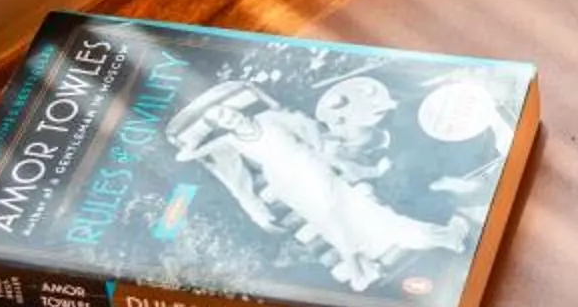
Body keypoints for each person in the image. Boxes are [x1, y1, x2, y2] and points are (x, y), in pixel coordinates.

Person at [168, 78, 469, 292]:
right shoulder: (230, 142)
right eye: (220, 118)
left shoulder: (271, 118)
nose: (228, 117)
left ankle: (378, 262)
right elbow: (200, 157)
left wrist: (333, 159)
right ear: (220, 127)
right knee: (340, 225)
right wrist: (255, 207)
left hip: (313, 171)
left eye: (226, 110)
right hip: (290, 185)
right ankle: (370, 265)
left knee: (365, 218)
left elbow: (313, 134)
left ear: (236, 108)